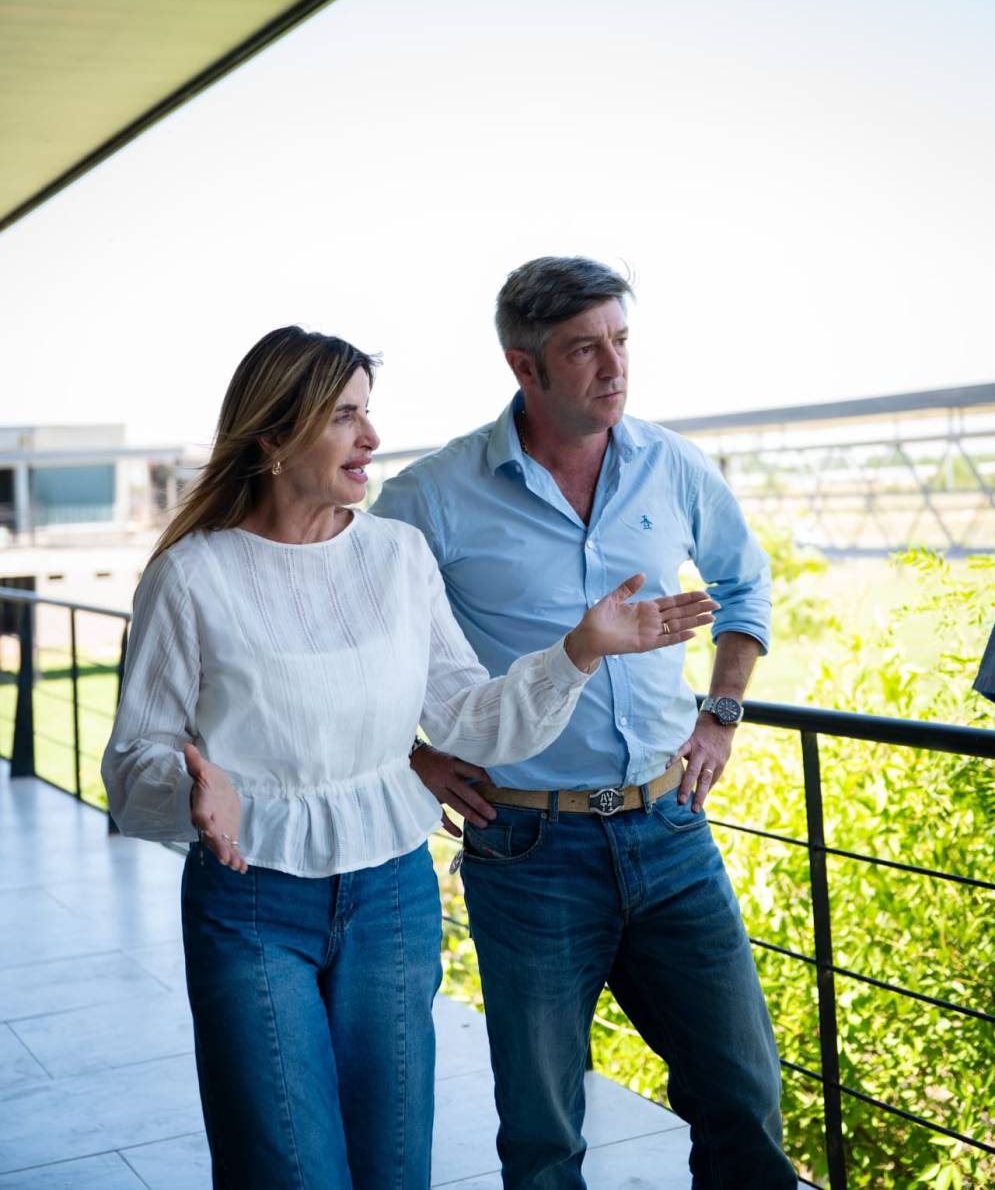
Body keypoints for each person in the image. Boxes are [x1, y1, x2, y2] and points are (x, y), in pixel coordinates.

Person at [100, 325, 717, 1190]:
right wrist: (193, 790)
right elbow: (135, 762)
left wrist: (576, 651)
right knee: (287, 1169)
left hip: (391, 894)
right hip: (250, 902)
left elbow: (469, 718)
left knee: (394, 1171)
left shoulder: (396, 556)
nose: (371, 439)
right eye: (345, 417)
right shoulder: (190, 576)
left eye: (369, 413)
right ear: (275, 436)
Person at [372, 257, 798, 1189]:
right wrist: (413, 756)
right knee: (541, 1133)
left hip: (670, 830)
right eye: (584, 349)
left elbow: (744, 584)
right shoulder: (432, 495)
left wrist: (720, 714)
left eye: (620, 341)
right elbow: (364, 642)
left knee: (742, 1095)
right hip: (527, 848)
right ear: (525, 368)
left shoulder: (671, 464)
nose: (614, 366)